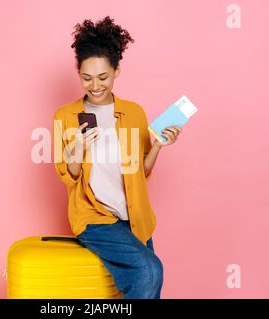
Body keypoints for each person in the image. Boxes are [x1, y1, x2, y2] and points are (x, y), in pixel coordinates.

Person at [53, 16, 182, 299]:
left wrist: (158, 146)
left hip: (134, 216)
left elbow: (141, 172)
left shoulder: (134, 113)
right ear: (78, 73)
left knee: (150, 280)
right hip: (94, 217)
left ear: (117, 70)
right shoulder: (65, 116)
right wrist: (76, 152)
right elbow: (69, 176)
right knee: (148, 272)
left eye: (103, 77)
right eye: (86, 77)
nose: (95, 85)